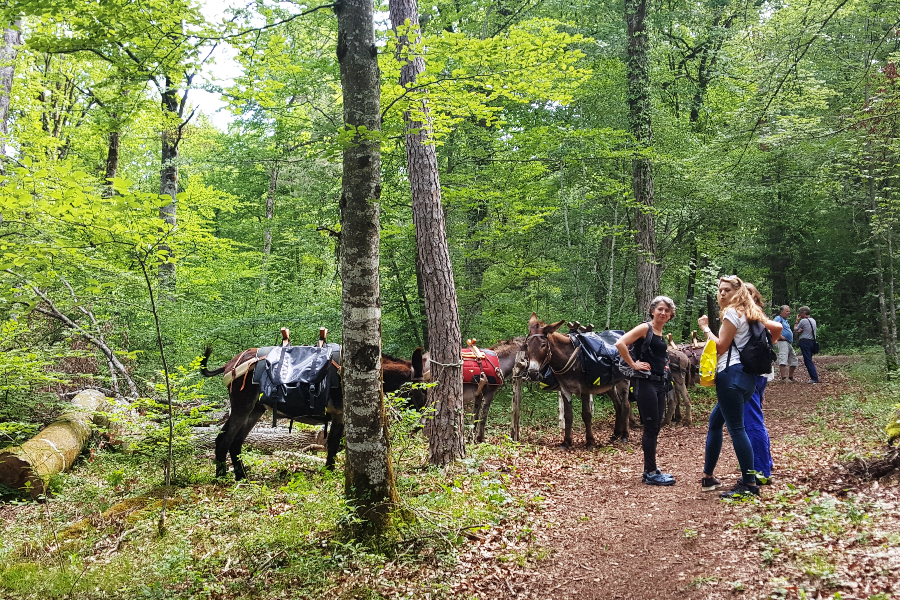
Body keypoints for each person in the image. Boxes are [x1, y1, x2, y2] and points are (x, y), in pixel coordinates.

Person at [698, 276, 783, 499]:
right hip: (748, 379)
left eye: (727, 290)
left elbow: (721, 347)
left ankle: (749, 483)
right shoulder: (751, 313)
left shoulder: (731, 313)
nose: (722, 293)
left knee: (737, 429)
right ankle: (708, 477)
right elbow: (776, 328)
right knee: (715, 422)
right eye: (720, 290)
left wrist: (706, 329)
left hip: (731, 376)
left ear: (738, 292)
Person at [615, 296, 677, 486]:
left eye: (667, 311)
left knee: (655, 427)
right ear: (652, 311)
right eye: (660, 309)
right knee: (650, 427)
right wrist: (633, 364)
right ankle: (649, 472)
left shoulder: (660, 333)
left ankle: (651, 468)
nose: (663, 313)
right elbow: (620, 343)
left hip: (659, 384)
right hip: (645, 383)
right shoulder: (645, 328)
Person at [744, 284, 778, 484]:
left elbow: (778, 328)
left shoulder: (751, 316)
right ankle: (766, 462)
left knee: (752, 421)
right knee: (756, 418)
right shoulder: (755, 315)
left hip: (752, 374)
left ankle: (761, 471)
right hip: (760, 372)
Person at [773, 305, 798, 382]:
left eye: (789, 311)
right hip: (782, 342)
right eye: (787, 311)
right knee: (783, 358)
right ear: (781, 311)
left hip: (788, 342)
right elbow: (772, 327)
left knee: (794, 359)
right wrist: (779, 336)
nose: (789, 313)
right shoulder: (778, 318)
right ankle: (784, 378)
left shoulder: (785, 321)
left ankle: (790, 377)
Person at [795, 306, 819, 383]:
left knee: (808, 360)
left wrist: (796, 321)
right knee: (809, 359)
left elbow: (795, 329)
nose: (799, 315)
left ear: (804, 313)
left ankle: (814, 378)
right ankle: (814, 377)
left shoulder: (803, 321)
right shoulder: (813, 320)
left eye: (800, 313)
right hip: (812, 342)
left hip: (805, 342)